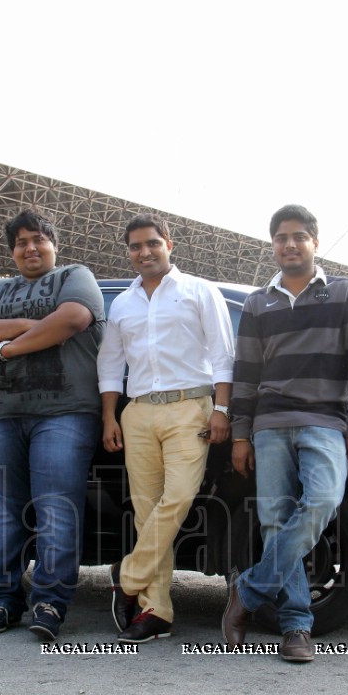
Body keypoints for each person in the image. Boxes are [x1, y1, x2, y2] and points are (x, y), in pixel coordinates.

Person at [220, 204, 348, 663]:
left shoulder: (345, 293)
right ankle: (295, 627)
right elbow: (246, 375)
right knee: (274, 520)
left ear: (314, 241)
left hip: (326, 422)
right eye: (281, 237)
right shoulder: (257, 302)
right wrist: (242, 434)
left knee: (324, 501)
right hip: (269, 426)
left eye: (299, 236)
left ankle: (247, 592)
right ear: (273, 245)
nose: (289, 244)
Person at [0, 209, 105, 642]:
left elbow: (74, 319)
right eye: (21, 242)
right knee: (5, 512)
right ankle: (5, 600)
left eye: (39, 239)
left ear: (53, 245)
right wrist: (30, 325)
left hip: (65, 412)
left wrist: (5, 349)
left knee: (56, 509)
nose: (30, 247)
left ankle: (50, 602)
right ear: (12, 251)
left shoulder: (75, 277)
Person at [97, 213, 235, 644]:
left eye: (152, 243)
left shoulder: (199, 291)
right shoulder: (122, 303)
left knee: (177, 498)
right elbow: (110, 364)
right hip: (137, 412)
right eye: (136, 246)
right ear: (129, 252)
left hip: (189, 408)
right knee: (145, 509)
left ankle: (129, 578)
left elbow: (223, 354)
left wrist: (223, 409)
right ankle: (156, 610)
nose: (145, 252)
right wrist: (109, 416)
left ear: (169, 244)